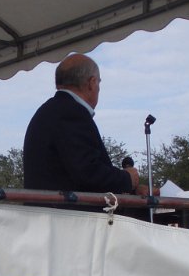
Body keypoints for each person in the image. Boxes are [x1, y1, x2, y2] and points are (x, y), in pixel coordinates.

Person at [23, 53, 147, 196]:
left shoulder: (51, 110)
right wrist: (127, 179)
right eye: (99, 83)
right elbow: (88, 172)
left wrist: (130, 188)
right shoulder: (71, 112)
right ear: (92, 83)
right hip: (68, 215)